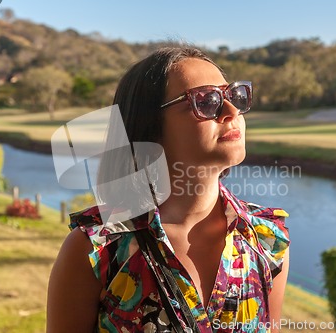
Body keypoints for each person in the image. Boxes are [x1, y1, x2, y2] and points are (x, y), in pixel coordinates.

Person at [47, 46, 290, 333]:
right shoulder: (98, 249)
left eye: (234, 95)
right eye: (206, 100)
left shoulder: (266, 240)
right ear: (149, 127)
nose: (232, 111)